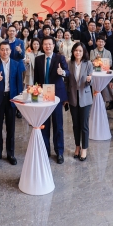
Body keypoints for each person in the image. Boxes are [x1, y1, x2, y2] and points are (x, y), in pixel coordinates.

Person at [34, 36, 69, 164]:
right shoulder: (38, 59)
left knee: (58, 124)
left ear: (54, 46)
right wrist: (36, 92)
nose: (47, 46)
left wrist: (62, 72)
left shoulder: (60, 58)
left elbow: (68, 72)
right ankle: (46, 151)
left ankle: (59, 152)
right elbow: (36, 79)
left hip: (56, 95)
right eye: (45, 44)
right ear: (42, 46)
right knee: (44, 124)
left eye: (50, 44)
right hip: (43, 94)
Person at [0, 41, 25, 165]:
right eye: (2, 49)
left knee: (11, 128)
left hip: (11, 98)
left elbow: (19, 83)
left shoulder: (16, 64)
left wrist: (19, 99)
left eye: (7, 49)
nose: (5, 52)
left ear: (10, 51)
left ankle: (10, 154)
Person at [66, 43, 93, 161]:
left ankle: (84, 148)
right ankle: (77, 146)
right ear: (73, 52)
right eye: (76, 50)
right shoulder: (69, 63)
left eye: (80, 51)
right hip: (73, 96)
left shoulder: (88, 64)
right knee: (75, 124)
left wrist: (89, 80)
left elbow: (91, 81)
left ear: (84, 52)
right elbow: (67, 81)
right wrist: (65, 97)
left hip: (85, 97)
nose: (78, 53)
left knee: (84, 125)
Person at [91, 36, 113, 109]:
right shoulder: (93, 51)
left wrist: (101, 61)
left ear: (105, 43)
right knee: (96, 88)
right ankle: (96, 104)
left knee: (105, 89)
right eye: (99, 41)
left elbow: (110, 63)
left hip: (104, 73)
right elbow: (91, 62)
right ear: (96, 42)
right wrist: (96, 59)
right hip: (96, 73)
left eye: (102, 42)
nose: (100, 43)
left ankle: (104, 103)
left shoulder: (108, 52)